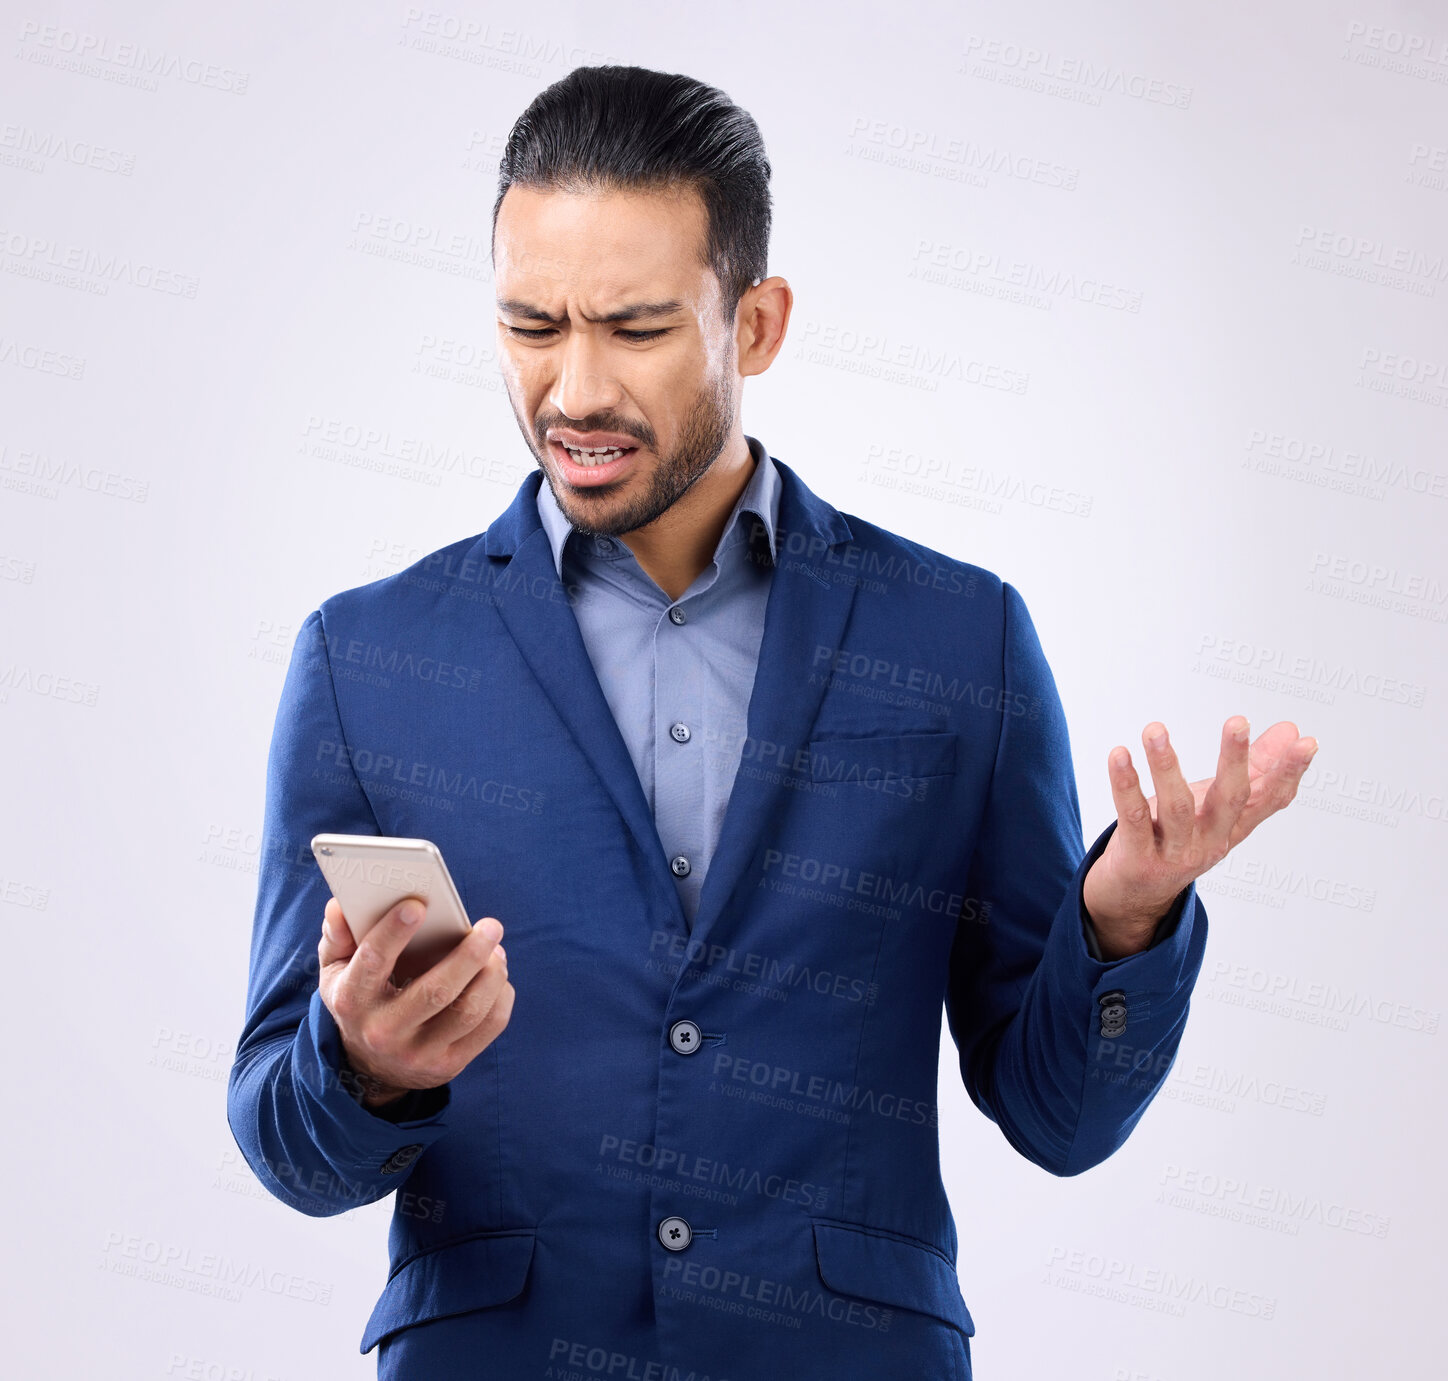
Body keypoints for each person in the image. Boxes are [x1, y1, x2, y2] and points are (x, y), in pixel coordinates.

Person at [227, 64, 1318, 1381]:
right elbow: (284, 1140)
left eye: (633, 328)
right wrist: (363, 1064)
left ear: (756, 322)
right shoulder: (370, 657)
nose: (572, 390)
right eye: (531, 326)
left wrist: (1124, 921)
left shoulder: (957, 638)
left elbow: (1056, 1114)